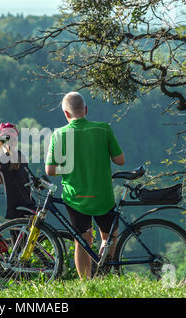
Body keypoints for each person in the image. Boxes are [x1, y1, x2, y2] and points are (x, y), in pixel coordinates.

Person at [45, 92, 125, 280]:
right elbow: (120, 160)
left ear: (66, 113)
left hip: (76, 198)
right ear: (86, 110)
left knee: (82, 240)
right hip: (102, 196)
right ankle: (104, 274)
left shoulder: (59, 134)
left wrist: (71, 165)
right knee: (109, 236)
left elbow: (50, 170)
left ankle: (86, 283)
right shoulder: (103, 129)